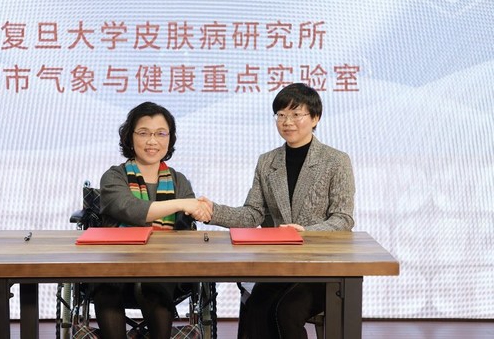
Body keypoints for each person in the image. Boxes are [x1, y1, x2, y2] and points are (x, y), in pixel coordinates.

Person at [201, 83, 355, 339]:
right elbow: (252, 214)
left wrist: (306, 232)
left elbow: (343, 218)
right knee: (257, 307)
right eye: (281, 115)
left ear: (315, 118)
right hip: (280, 264)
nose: (287, 122)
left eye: (296, 114)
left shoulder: (336, 161)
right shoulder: (267, 161)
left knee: (286, 311)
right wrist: (211, 212)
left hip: (320, 266)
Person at [95, 101, 211, 339]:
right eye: (143, 133)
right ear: (130, 137)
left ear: (169, 139)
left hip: (166, 268)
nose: (152, 141)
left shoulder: (179, 181)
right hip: (117, 264)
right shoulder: (114, 176)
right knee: (105, 286)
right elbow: (131, 209)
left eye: (160, 133)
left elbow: (188, 226)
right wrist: (181, 204)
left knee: (153, 283)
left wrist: (201, 210)